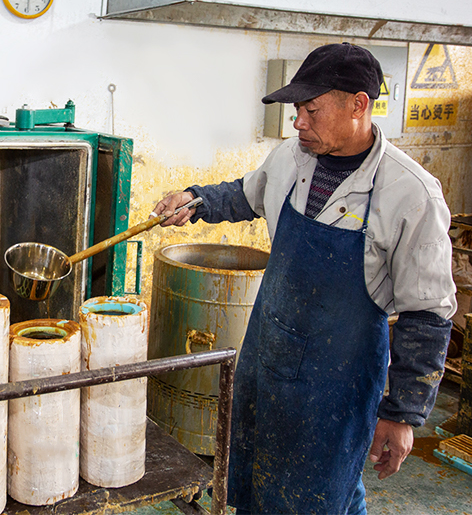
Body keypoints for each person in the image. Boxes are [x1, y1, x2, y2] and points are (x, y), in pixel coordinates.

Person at [153, 43, 455, 515]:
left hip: (335, 386)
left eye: (311, 111)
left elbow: (428, 315)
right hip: (267, 360)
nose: (298, 123)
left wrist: (402, 414)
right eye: (297, 111)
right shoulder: (293, 158)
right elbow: (246, 194)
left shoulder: (410, 194)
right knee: (254, 485)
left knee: (322, 495)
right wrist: (196, 199)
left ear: (358, 105)